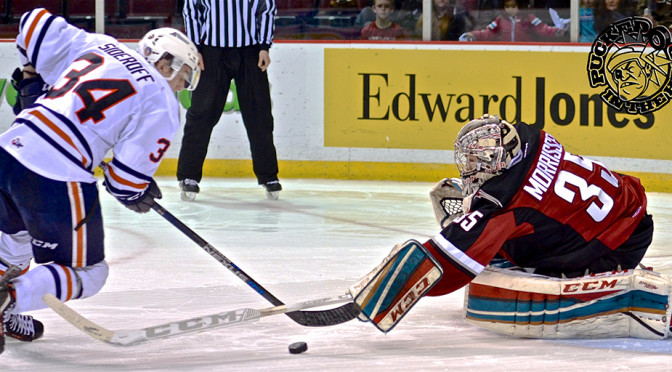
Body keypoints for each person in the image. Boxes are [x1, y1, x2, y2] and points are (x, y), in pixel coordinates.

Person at [0, 8, 200, 353]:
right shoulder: (163, 100)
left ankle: (6, 309)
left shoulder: (101, 45)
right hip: (54, 173)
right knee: (89, 273)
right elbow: (125, 182)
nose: (182, 87)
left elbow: (33, 22)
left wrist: (33, 73)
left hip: (8, 150)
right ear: (166, 63)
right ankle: (8, 299)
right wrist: (137, 191)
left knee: (11, 246)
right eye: (184, 77)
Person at [350, 114, 653, 335]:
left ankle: (580, 264)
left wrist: (402, 282)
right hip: (627, 207)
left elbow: (450, 264)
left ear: (496, 160)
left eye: (474, 162)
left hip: (615, 246)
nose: (468, 170)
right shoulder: (533, 141)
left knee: (486, 234)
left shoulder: (506, 201)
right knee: (525, 216)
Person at [179, 0, 282, 201]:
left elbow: (266, 9)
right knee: (201, 113)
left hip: (250, 51)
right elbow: (191, 10)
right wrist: (195, 48)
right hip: (211, 52)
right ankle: (189, 176)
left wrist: (264, 46)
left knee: (259, 114)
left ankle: (268, 176)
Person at [459, 0, 566, 41]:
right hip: (506, 54)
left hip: (526, 54)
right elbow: (488, 33)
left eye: (513, 6)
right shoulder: (500, 20)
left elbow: (542, 29)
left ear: (518, 6)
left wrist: (556, 31)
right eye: (507, 6)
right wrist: (473, 35)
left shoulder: (528, 18)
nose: (510, 9)